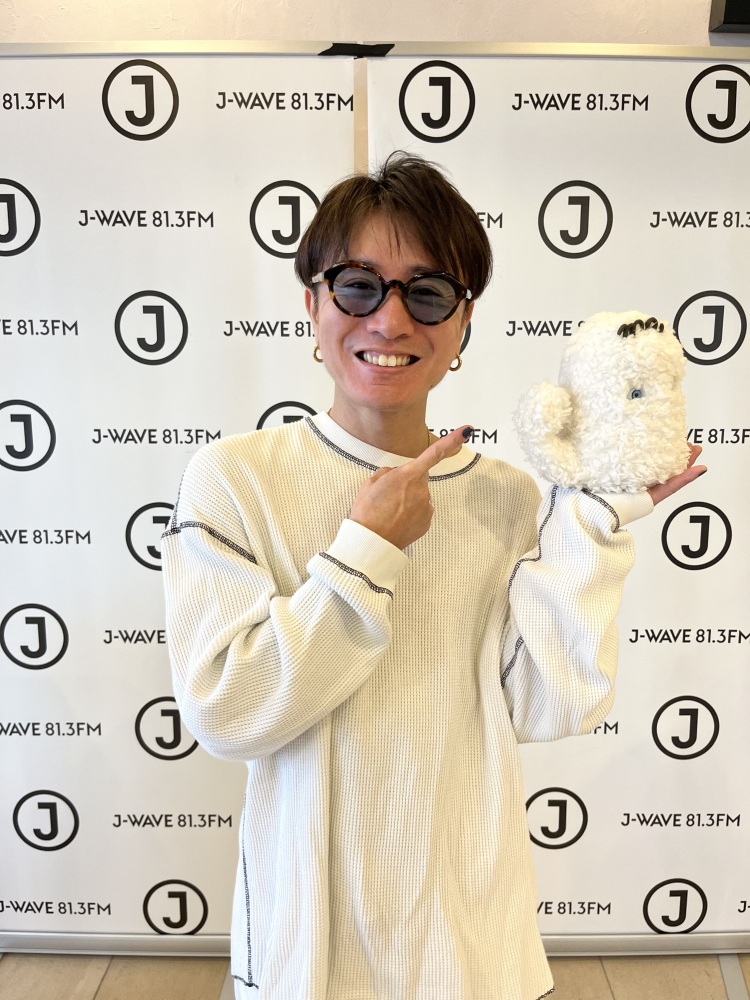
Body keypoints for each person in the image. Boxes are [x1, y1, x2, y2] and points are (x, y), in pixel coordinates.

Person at [162, 153, 705, 1000]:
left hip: (469, 931)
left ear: (462, 322)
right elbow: (228, 710)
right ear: (312, 305)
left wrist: (592, 528)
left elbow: (548, 703)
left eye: (427, 293)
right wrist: (365, 551)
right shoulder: (236, 479)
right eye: (357, 287)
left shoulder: (507, 495)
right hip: (312, 936)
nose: (390, 319)